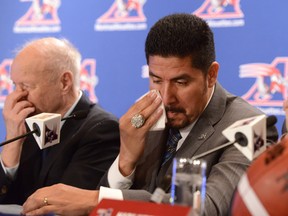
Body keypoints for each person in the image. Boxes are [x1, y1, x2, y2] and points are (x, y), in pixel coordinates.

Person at [22, 14, 278, 216]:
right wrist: (126, 161)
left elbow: (203, 210)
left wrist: (94, 200)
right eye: (156, 79)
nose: (166, 97)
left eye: (181, 82)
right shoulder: (146, 112)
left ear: (211, 75)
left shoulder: (251, 126)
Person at [0, 37, 120, 205]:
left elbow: (63, 206)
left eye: (26, 86)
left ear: (64, 82)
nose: (16, 97)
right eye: (15, 85)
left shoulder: (101, 129)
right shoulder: (26, 122)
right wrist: (12, 143)